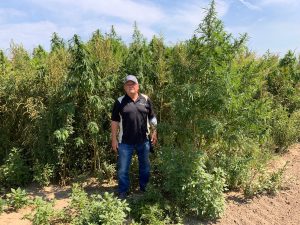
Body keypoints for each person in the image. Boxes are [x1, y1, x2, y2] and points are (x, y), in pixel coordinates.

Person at [111, 75, 157, 199]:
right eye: (128, 84)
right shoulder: (120, 101)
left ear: (138, 86)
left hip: (144, 141)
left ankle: (144, 189)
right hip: (125, 142)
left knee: (145, 167)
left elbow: (152, 117)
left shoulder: (146, 99)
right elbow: (114, 121)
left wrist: (154, 132)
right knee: (123, 169)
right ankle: (123, 192)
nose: (131, 86)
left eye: (133, 84)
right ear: (124, 87)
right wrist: (114, 139)